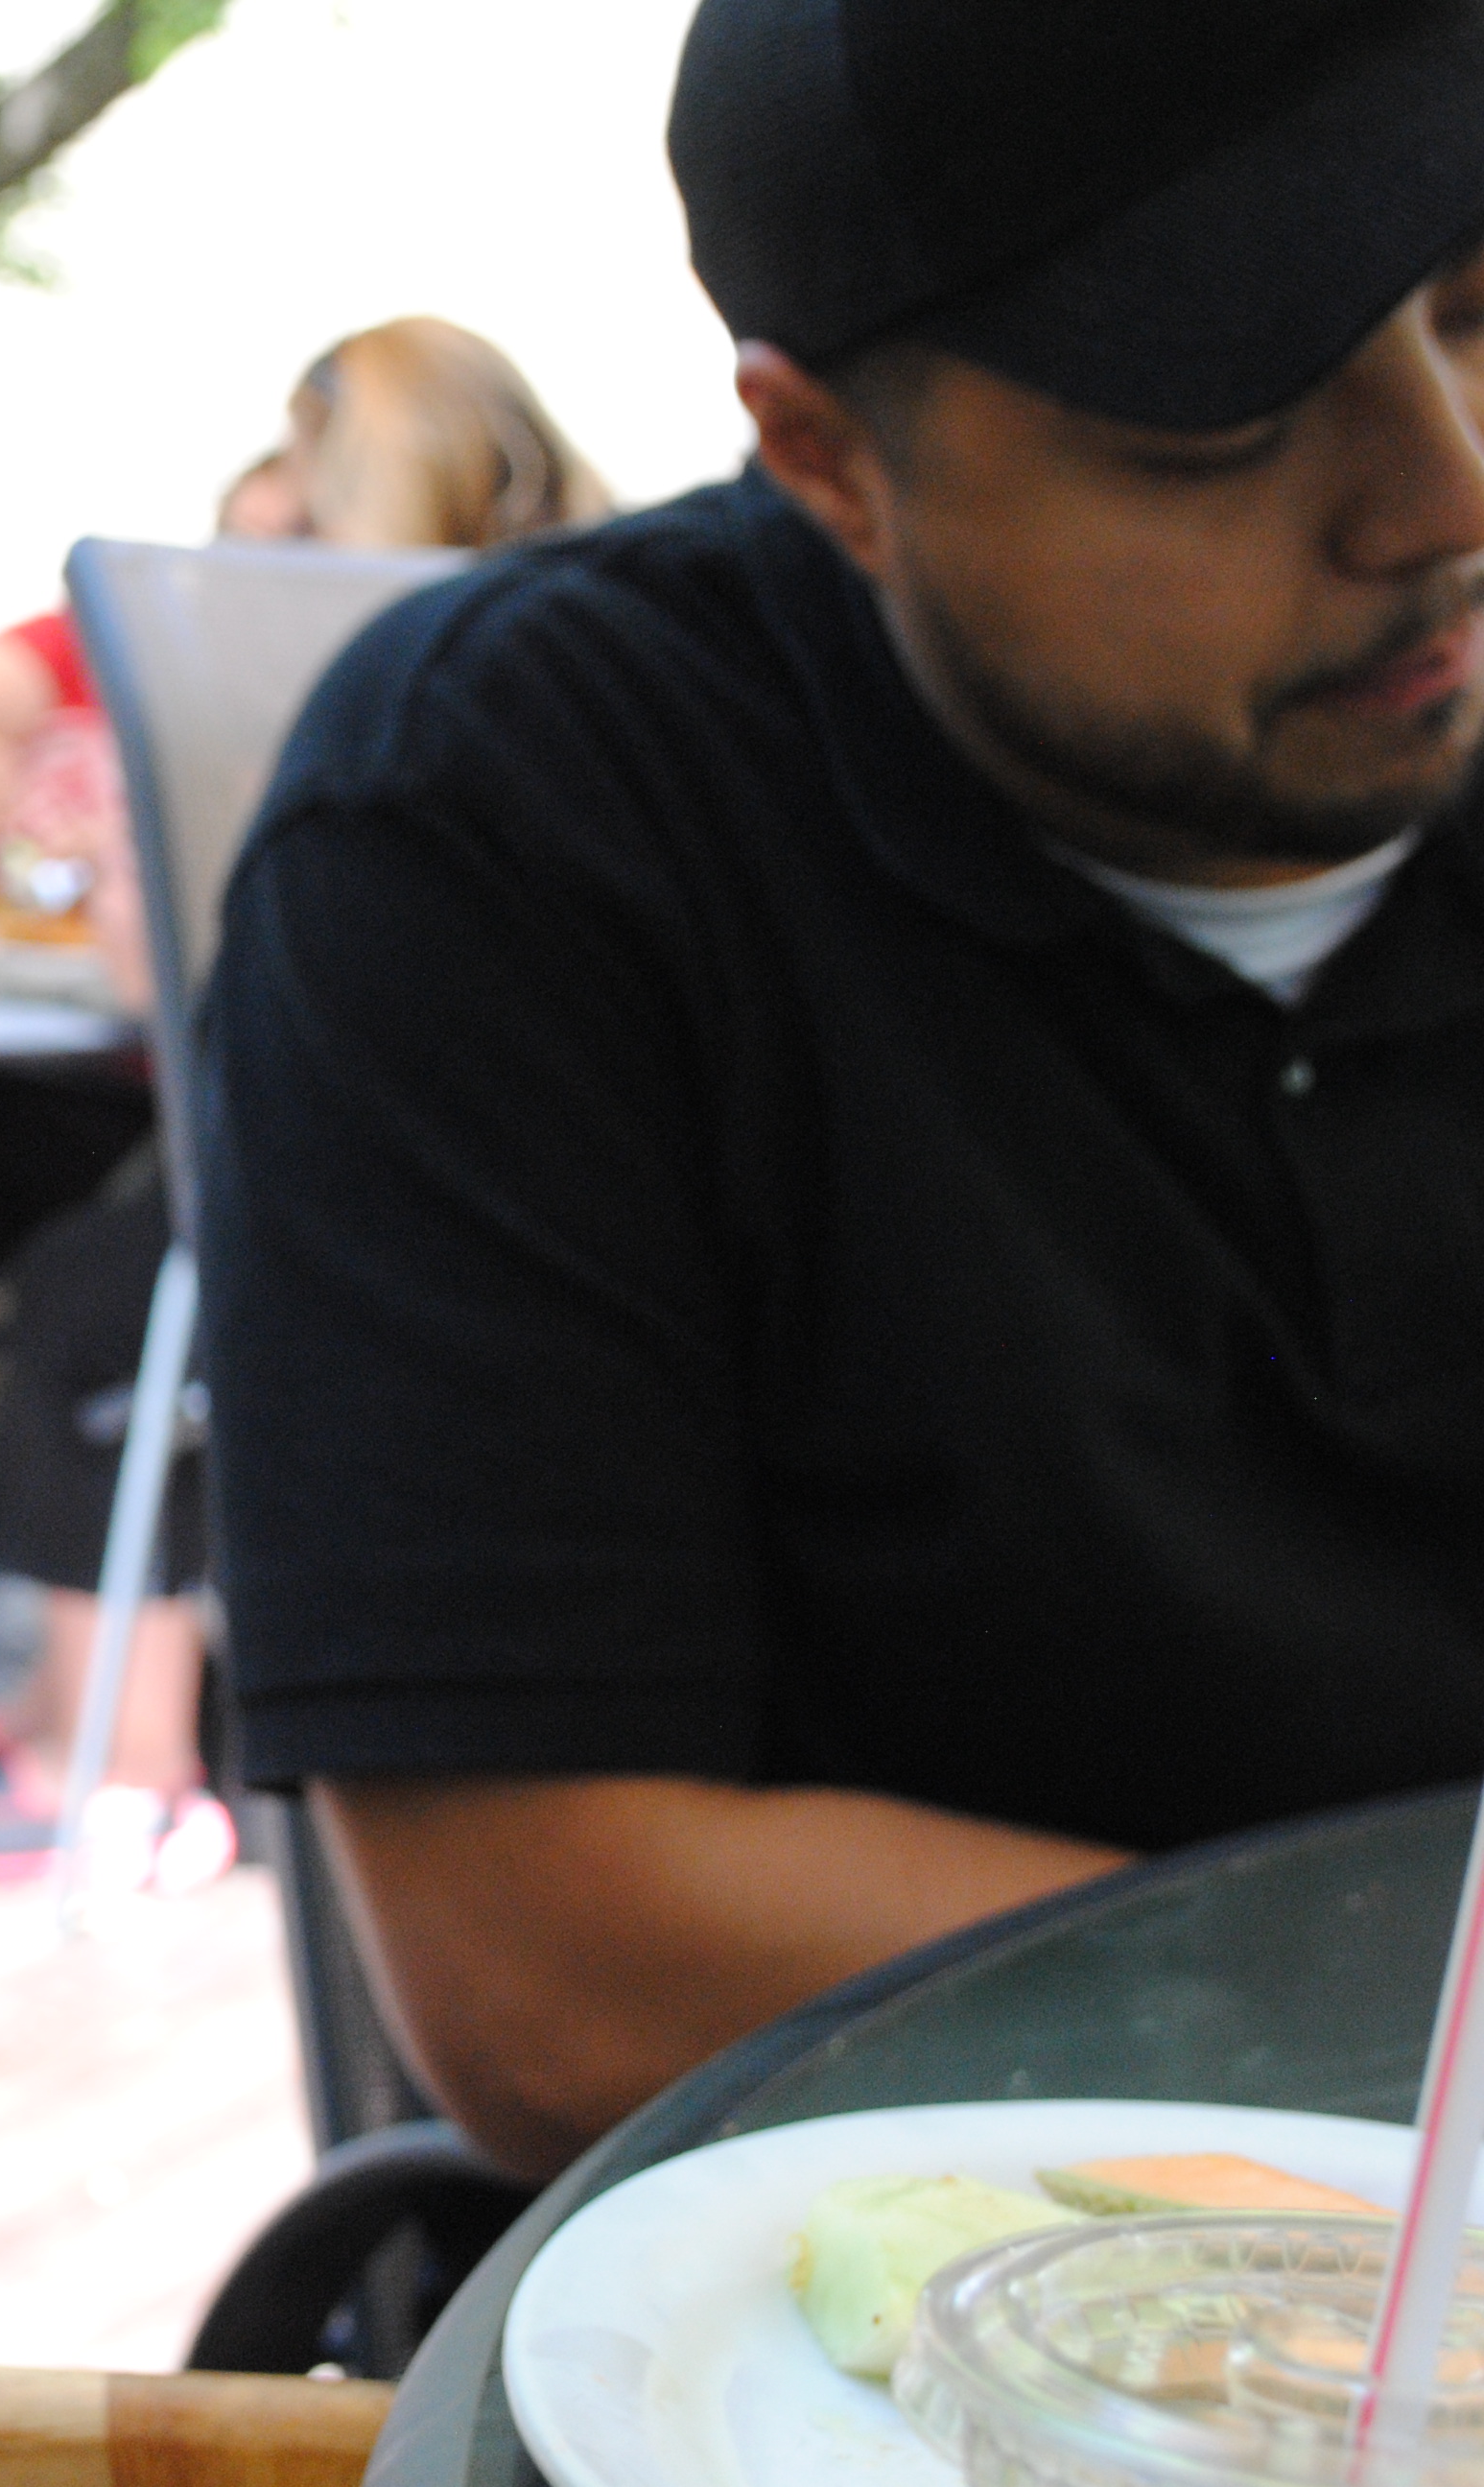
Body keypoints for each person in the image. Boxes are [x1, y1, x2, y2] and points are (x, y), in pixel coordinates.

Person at [204, 0, 1484, 2180]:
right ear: (825, 462)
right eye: (1228, 417)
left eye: (1473, 309)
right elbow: (544, 1966)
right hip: (896, 2273)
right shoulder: (517, 820)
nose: (1439, 493)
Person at [0, 320, 607, 1892]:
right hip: (503, 1150)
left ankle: (117, 1775)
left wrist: (124, 855)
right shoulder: (551, 632)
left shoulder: (357, 667)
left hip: (413, 1161)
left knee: (114, 1293)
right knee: (117, 1258)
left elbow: (182, 969)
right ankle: (70, 1731)